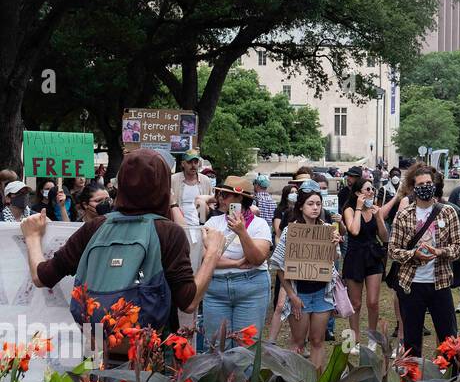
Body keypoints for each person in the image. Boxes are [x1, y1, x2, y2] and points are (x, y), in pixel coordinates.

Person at [21, 149, 225, 351]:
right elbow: (188, 302)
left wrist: (32, 237)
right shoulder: (168, 232)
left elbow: (42, 277)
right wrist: (213, 254)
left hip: (100, 346)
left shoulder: (96, 227)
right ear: (164, 186)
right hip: (151, 353)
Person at [386, 165, 460, 356]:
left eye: (429, 183)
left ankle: (450, 380)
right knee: (412, 341)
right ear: (413, 188)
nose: (426, 187)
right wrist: (413, 255)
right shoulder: (404, 215)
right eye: (421, 184)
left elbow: (458, 249)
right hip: (412, 284)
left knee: (448, 338)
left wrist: (440, 251)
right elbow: (393, 251)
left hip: (440, 283)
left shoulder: (448, 212)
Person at [267, 181, 340, 369]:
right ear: (301, 206)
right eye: (310, 204)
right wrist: (292, 295)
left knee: (318, 340)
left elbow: (331, 260)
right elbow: (279, 267)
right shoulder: (291, 231)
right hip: (300, 294)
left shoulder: (327, 230)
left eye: (318, 204)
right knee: (298, 342)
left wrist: (333, 244)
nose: (315, 208)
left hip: (322, 293)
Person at [199, 176, 274, 350]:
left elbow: (257, 259)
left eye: (225, 195)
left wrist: (242, 232)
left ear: (240, 199)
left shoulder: (259, 225)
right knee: (216, 346)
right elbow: (206, 257)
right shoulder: (213, 222)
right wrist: (237, 263)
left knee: (246, 347)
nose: (219, 199)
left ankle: (244, 379)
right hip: (217, 289)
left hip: (251, 288)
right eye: (219, 194)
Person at [341, 177, 389, 344]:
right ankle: (354, 339)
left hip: (373, 256)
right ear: (357, 193)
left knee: (373, 302)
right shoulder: (349, 209)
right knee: (355, 303)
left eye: (372, 190)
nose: (371, 193)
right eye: (367, 189)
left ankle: (372, 337)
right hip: (355, 256)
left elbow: (384, 237)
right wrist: (359, 209)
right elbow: (354, 230)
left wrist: (379, 218)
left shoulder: (376, 210)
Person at [170, 151, 213, 226]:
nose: (193, 165)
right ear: (183, 164)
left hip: (201, 225)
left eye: (195, 162)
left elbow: (211, 202)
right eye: (189, 162)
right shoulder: (173, 179)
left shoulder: (205, 180)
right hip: (179, 225)